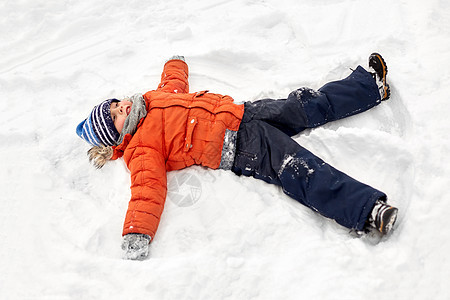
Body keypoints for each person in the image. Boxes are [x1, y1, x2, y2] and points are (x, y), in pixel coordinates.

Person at [76, 53, 398, 260]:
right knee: (298, 167)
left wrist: (175, 64)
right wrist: (136, 232)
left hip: (244, 111)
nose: (123, 108)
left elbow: (173, 83)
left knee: (304, 103)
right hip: (239, 144)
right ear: (116, 136)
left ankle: (369, 86)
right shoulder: (140, 149)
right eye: (117, 116)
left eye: (117, 104)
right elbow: (147, 191)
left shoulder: (151, 98)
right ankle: (367, 210)